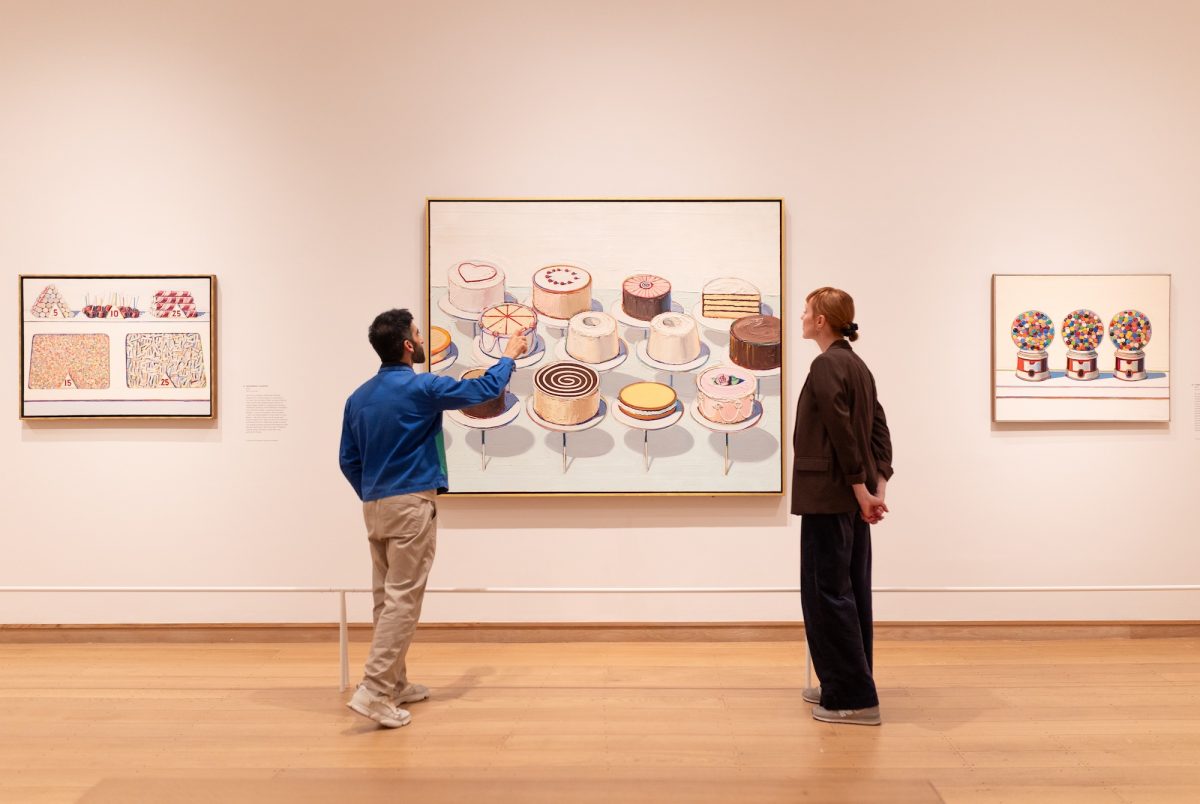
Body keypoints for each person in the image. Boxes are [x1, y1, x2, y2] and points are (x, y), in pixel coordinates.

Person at [339, 308, 526, 728]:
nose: (422, 339)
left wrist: (373, 492)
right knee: (403, 601)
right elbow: (484, 389)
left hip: (375, 506)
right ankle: (373, 691)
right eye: (418, 334)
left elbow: (348, 460)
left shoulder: (358, 397)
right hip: (410, 504)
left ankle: (394, 683)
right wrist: (509, 355)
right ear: (408, 345)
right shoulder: (422, 387)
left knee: (386, 600)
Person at [791, 287, 893, 727]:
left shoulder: (827, 364)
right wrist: (876, 485)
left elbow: (841, 431)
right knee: (850, 591)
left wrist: (859, 488)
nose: (801, 316)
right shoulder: (857, 365)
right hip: (850, 497)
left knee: (827, 594)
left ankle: (852, 696)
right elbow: (879, 430)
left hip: (830, 496)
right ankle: (844, 683)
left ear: (821, 321)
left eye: (806, 311)